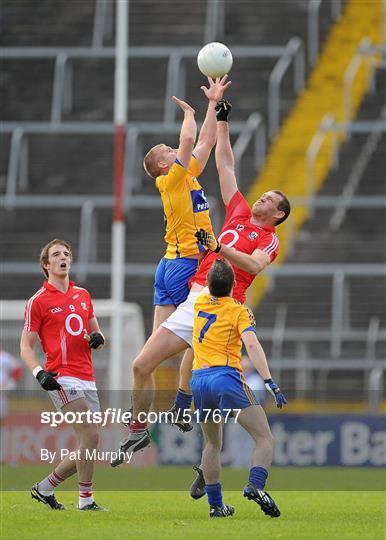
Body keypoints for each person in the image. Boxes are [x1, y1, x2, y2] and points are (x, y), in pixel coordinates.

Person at [111, 99, 291, 467]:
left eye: (270, 198)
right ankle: (140, 427)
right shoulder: (231, 206)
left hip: (222, 301)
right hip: (193, 285)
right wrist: (221, 117)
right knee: (141, 364)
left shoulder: (268, 239)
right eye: (264, 193)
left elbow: (255, 266)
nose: (262, 196)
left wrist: (207, 112)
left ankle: (189, 416)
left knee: (208, 381)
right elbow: (224, 162)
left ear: (278, 214)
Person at [189, 258, 286, 518]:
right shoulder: (239, 310)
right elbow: (252, 346)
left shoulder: (198, 304)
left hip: (198, 379)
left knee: (211, 444)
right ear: (234, 285)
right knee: (264, 438)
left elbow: (201, 286)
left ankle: (216, 505)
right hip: (226, 377)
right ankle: (256, 486)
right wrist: (269, 381)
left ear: (208, 285)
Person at [20, 239, 106, 511]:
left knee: (88, 441)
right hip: (61, 376)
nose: (63, 257)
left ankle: (45, 487)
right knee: (91, 436)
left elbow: (99, 335)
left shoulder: (83, 295)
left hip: (87, 376)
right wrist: (38, 372)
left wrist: (97, 339)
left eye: (66, 253)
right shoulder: (38, 301)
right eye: (56, 254)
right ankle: (86, 501)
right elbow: (25, 346)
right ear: (46, 265)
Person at [143, 76, 231, 334]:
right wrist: (189, 114)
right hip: (186, 264)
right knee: (197, 335)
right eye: (168, 150)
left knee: (158, 342)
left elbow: (206, 141)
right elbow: (188, 141)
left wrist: (213, 103)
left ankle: (142, 371)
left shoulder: (184, 175)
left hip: (171, 262)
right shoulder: (169, 180)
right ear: (163, 165)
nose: (175, 149)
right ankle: (190, 376)